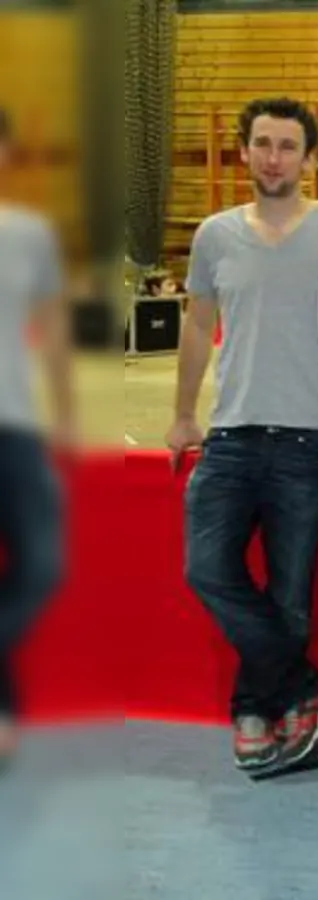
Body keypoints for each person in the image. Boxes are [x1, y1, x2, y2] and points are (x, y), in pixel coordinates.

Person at [168, 97, 318, 770]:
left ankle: (255, 710)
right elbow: (195, 324)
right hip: (232, 434)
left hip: (309, 438)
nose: (274, 157)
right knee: (205, 569)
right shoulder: (216, 234)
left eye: (288, 146)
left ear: (309, 158)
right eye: (263, 143)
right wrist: (184, 413)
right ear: (244, 149)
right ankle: (303, 687)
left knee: (290, 596)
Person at [0, 105, 72, 767]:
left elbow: (51, 329)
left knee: (45, 565)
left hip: (18, 425)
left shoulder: (28, 234)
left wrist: (68, 411)